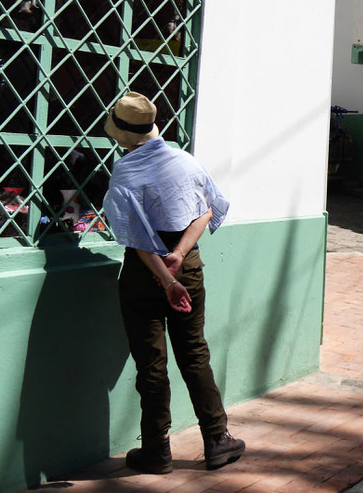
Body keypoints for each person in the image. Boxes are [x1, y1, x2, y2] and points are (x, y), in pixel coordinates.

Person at [102, 91, 244, 474]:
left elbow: (136, 236)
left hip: (145, 273)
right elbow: (209, 208)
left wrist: (165, 278)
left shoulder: (126, 172)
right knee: (194, 352)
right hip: (187, 265)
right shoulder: (185, 161)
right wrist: (179, 255)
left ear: (122, 135)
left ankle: (156, 451)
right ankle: (217, 440)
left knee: (152, 364)